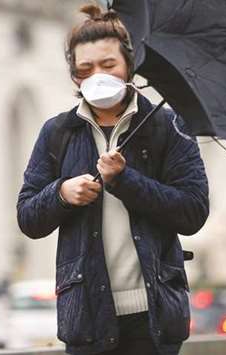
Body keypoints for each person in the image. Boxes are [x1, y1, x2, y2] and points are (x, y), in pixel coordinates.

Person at [17, 4, 209, 355]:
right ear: (74, 75)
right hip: (86, 316)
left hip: (154, 317)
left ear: (129, 66)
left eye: (108, 65)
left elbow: (193, 212)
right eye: (85, 68)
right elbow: (28, 217)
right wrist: (61, 194)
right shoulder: (58, 132)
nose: (97, 76)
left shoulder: (167, 126)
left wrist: (125, 180)